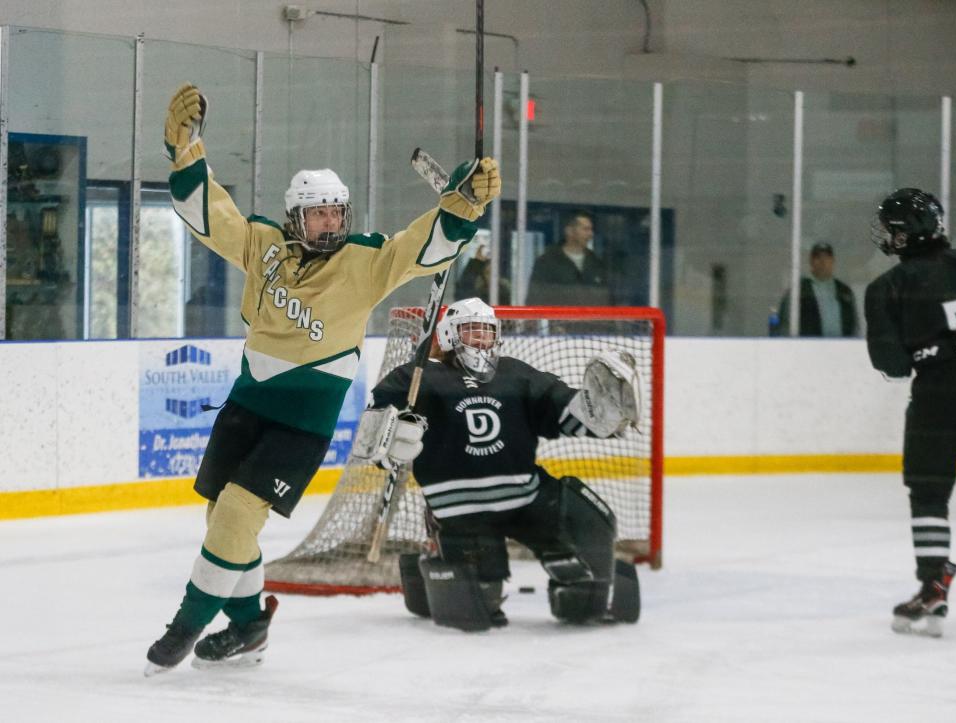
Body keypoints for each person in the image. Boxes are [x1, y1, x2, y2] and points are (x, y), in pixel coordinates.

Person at [144, 84, 501, 674]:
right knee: (221, 521)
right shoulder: (263, 245)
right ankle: (249, 625)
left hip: (302, 421)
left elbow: (420, 247)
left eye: (338, 211)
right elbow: (211, 218)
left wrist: (461, 206)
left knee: (237, 516)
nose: (331, 221)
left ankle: (188, 621)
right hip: (246, 401)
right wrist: (185, 153)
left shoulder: (364, 262)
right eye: (319, 212)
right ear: (295, 216)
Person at [353, 298, 642, 631]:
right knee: (477, 606)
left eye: (487, 331)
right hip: (460, 508)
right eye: (471, 330)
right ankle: (430, 562)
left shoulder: (514, 373)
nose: (480, 339)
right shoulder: (417, 377)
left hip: (527, 497)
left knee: (590, 527)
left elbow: (562, 409)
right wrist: (390, 436)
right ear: (448, 334)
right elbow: (371, 435)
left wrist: (602, 411)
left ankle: (579, 597)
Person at [865, 187, 956, 637]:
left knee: (929, 493)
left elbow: (892, 365)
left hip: (937, 398)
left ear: (903, 236)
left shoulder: (887, 288)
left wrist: (925, 347)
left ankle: (933, 584)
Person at [526, 211, 609, 306]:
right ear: (569, 231)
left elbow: (606, 299)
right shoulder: (547, 262)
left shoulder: (596, 263)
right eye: (585, 229)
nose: (590, 234)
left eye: (591, 230)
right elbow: (534, 300)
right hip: (558, 320)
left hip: (591, 320)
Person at [775, 242, 858, 337]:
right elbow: (786, 327)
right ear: (811, 262)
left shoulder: (844, 291)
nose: (823, 262)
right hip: (809, 349)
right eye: (818, 257)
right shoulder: (799, 291)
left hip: (843, 349)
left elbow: (855, 327)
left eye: (827, 257)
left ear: (833, 261)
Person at [456, 237, 511, 304]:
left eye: (494, 272)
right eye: (488, 272)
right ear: (483, 275)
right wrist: (477, 261)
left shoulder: (504, 292)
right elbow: (464, 293)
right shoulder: (479, 292)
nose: (491, 276)